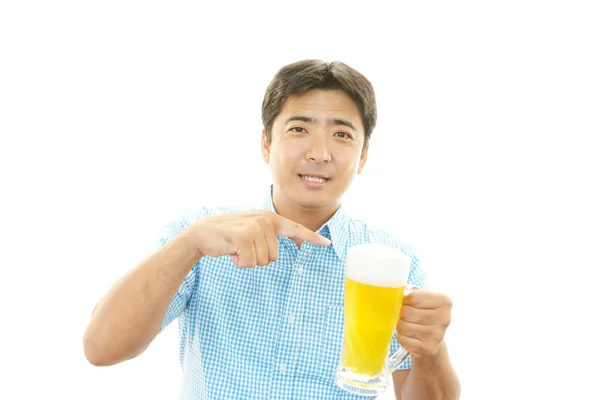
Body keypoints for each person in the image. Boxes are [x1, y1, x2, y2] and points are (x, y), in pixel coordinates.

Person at [83, 59, 461, 399]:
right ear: (266, 143)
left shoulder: (392, 261)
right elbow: (102, 349)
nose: (319, 153)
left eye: (342, 134)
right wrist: (189, 244)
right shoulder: (201, 234)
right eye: (299, 128)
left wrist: (431, 349)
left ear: (363, 156)